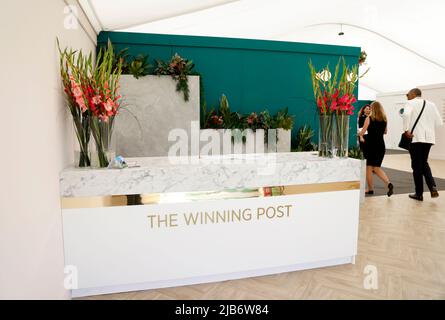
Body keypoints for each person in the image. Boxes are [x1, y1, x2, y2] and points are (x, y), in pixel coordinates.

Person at [402, 88, 443, 201]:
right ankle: (432, 186)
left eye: (408, 94)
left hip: (415, 138)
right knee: (423, 162)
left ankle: (419, 193)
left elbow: (405, 115)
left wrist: (406, 130)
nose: (407, 96)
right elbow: (439, 122)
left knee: (416, 165)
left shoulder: (410, 103)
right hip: (429, 138)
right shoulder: (432, 104)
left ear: (414, 94)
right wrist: (427, 126)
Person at [359, 101, 394, 197]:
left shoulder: (368, 119)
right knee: (377, 167)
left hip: (370, 146)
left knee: (369, 168)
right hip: (381, 146)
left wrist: (359, 134)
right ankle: (388, 183)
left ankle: (370, 189)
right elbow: (385, 132)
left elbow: (362, 132)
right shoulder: (384, 119)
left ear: (372, 109)